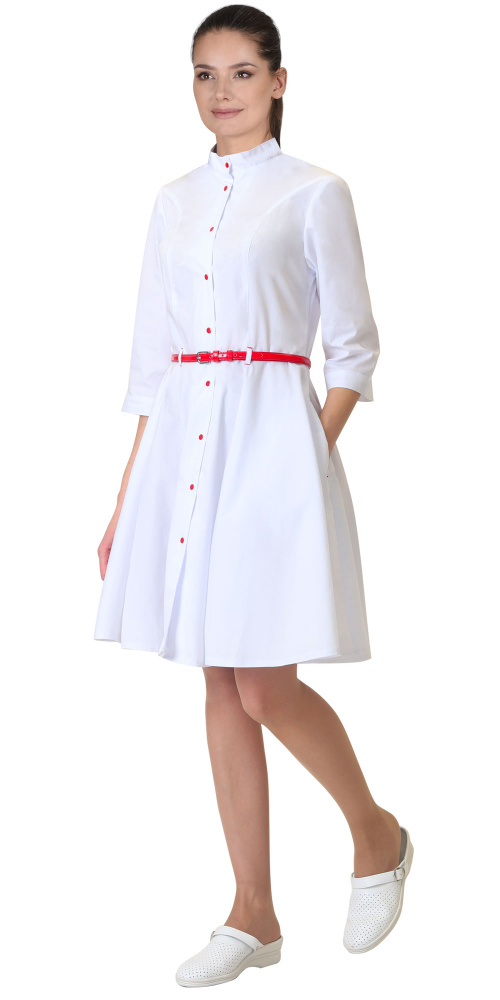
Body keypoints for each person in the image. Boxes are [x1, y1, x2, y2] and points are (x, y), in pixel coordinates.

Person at [94, 5, 414, 987]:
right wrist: (125, 501)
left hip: (270, 451)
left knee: (263, 682)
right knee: (217, 679)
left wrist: (306, 456)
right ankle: (252, 912)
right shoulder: (172, 201)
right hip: (181, 454)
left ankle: (376, 835)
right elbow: (152, 364)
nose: (221, 91)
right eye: (204, 73)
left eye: (240, 72)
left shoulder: (315, 192)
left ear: (278, 80)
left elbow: (352, 350)